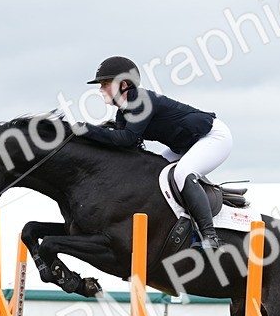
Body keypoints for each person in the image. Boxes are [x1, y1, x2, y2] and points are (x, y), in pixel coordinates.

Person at [79, 56, 232, 249]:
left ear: (124, 84)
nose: (101, 89)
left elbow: (126, 139)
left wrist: (88, 130)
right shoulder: (123, 112)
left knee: (183, 173)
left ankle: (210, 236)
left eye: (105, 84)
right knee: (153, 175)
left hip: (213, 137)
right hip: (185, 145)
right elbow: (122, 146)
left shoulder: (141, 100)